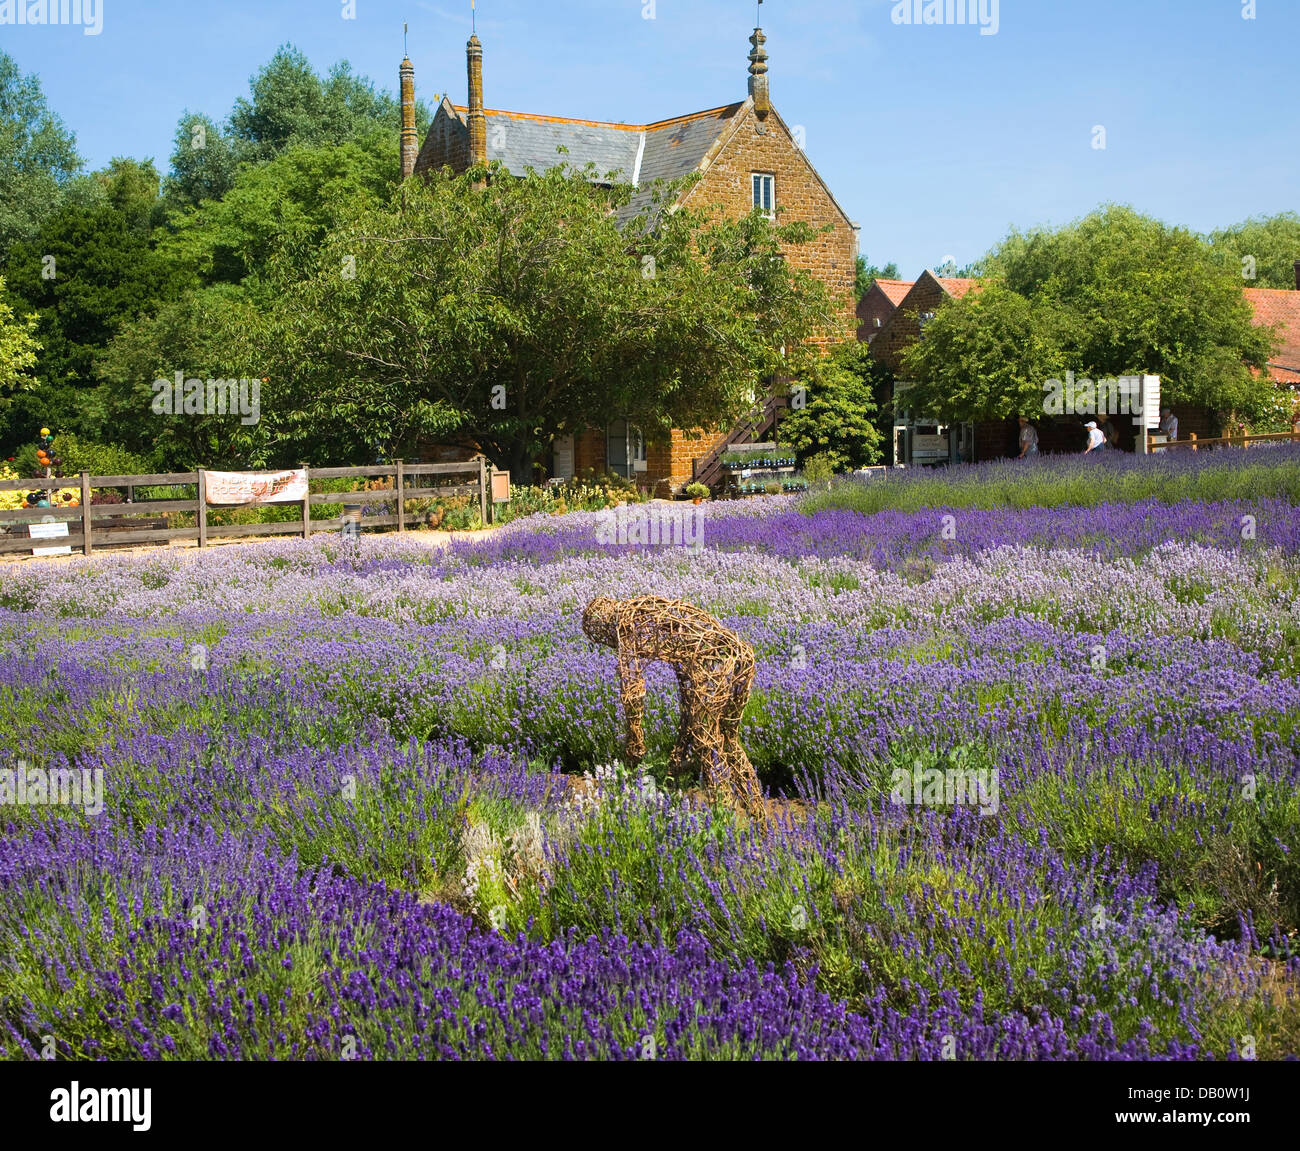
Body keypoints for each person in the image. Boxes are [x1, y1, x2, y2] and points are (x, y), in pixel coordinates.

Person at [582, 595, 766, 823]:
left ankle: (724, 823)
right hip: (738, 654)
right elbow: (685, 674)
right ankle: (759, 819)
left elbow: (633, 692)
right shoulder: (650, 608)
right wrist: (681, 745)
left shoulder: (625, 622)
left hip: (712, 657)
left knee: (707, 745)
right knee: (728, 740)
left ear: (603, 625)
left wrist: (634, 741)